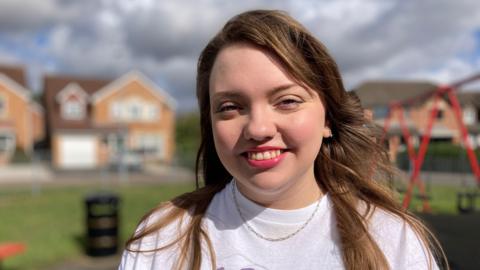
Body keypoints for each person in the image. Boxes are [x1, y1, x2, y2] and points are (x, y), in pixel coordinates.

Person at [119, 10, 446, 270]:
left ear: (327, 119)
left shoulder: (392, 241)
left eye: (287, 100)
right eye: (231, 107)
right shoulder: (163, 239)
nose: (258, 129)